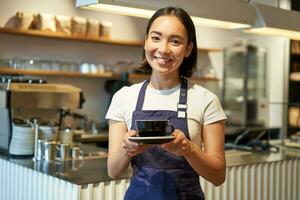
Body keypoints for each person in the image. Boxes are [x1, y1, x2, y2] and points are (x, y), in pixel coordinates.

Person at [105, 6, 227, 200]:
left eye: (175, 41)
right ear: (145, 42)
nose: (163, 49)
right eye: (156, 38)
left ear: (188, 49)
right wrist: (127, 149)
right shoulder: (124, 97)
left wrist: (189, 149)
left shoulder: (206, 100)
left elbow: (218, 176)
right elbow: (113, 170)